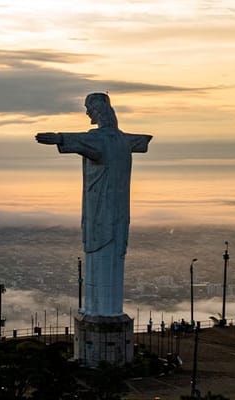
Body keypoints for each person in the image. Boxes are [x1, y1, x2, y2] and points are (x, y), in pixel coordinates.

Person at [35, 93, 152, 316]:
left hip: (99, 210)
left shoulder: (100, 139)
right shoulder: (124, 140)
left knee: (100, 254)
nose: (87, 113)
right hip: (118, 210)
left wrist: (59, 138)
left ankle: (100, 311)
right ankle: (105, 309)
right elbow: (144, 140)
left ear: (98, 111)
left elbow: (80, 141)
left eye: (88, 108)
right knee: (113, 254)